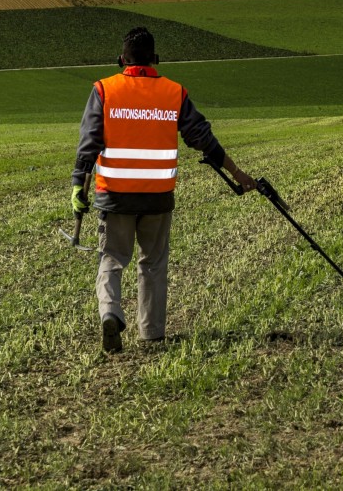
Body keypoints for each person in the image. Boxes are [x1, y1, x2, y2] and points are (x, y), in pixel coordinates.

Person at [71, 27, 255, 353]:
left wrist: (77, 187)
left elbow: (89, 144)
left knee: (112, 259)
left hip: (114, 197)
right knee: (153, 264)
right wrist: (237, 173)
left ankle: (111, 313)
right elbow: (204, 139)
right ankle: (151, 333)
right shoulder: (174, 93)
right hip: (158, 198)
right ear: (156, 60)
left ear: (120, 60)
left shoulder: (104, 90)